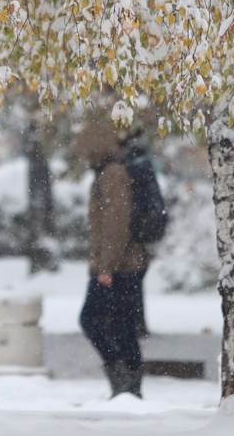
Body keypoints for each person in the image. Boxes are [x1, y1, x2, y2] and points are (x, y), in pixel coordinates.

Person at [74, 119, 148, 398]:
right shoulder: (110, 172)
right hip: (122, 264)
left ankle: (124, 383)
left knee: (91, 319)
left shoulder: (113, 174)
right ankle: (128, 389)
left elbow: (117, 223)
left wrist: (106, 266)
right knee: (122, 325)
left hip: (119, 266)